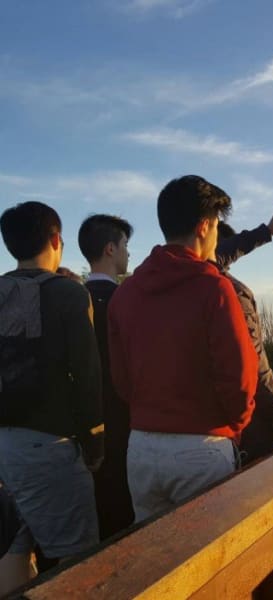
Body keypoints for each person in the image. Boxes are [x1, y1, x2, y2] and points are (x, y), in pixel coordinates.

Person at [107, 175, 258, 523]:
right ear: (204, 226)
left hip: (142, 448)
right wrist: (236, 424)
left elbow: (121, 378)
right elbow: (238, 377)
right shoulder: (214, 288)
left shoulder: (126, 293)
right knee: (213, 566)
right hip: (201, 449)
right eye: (218, 226)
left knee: (155, 564)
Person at [0, 201, 103, 595]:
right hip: (49, 444)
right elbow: (88, 374)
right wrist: (95, 440)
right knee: (79, 559)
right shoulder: (67, 293)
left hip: (4, 446)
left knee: (15, 545)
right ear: (56, 239)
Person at [216, 217, 273, 464]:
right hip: (239, 433)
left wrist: (267, 230)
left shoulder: (165, 287)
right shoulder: (229, 292)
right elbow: (254, 363)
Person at [78, 215, 135, 540]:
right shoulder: (128, 301)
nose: (128, 254)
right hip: (126, 423)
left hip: (81, 431)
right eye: (125, 246)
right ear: (110, 249)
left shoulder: (74, 300)